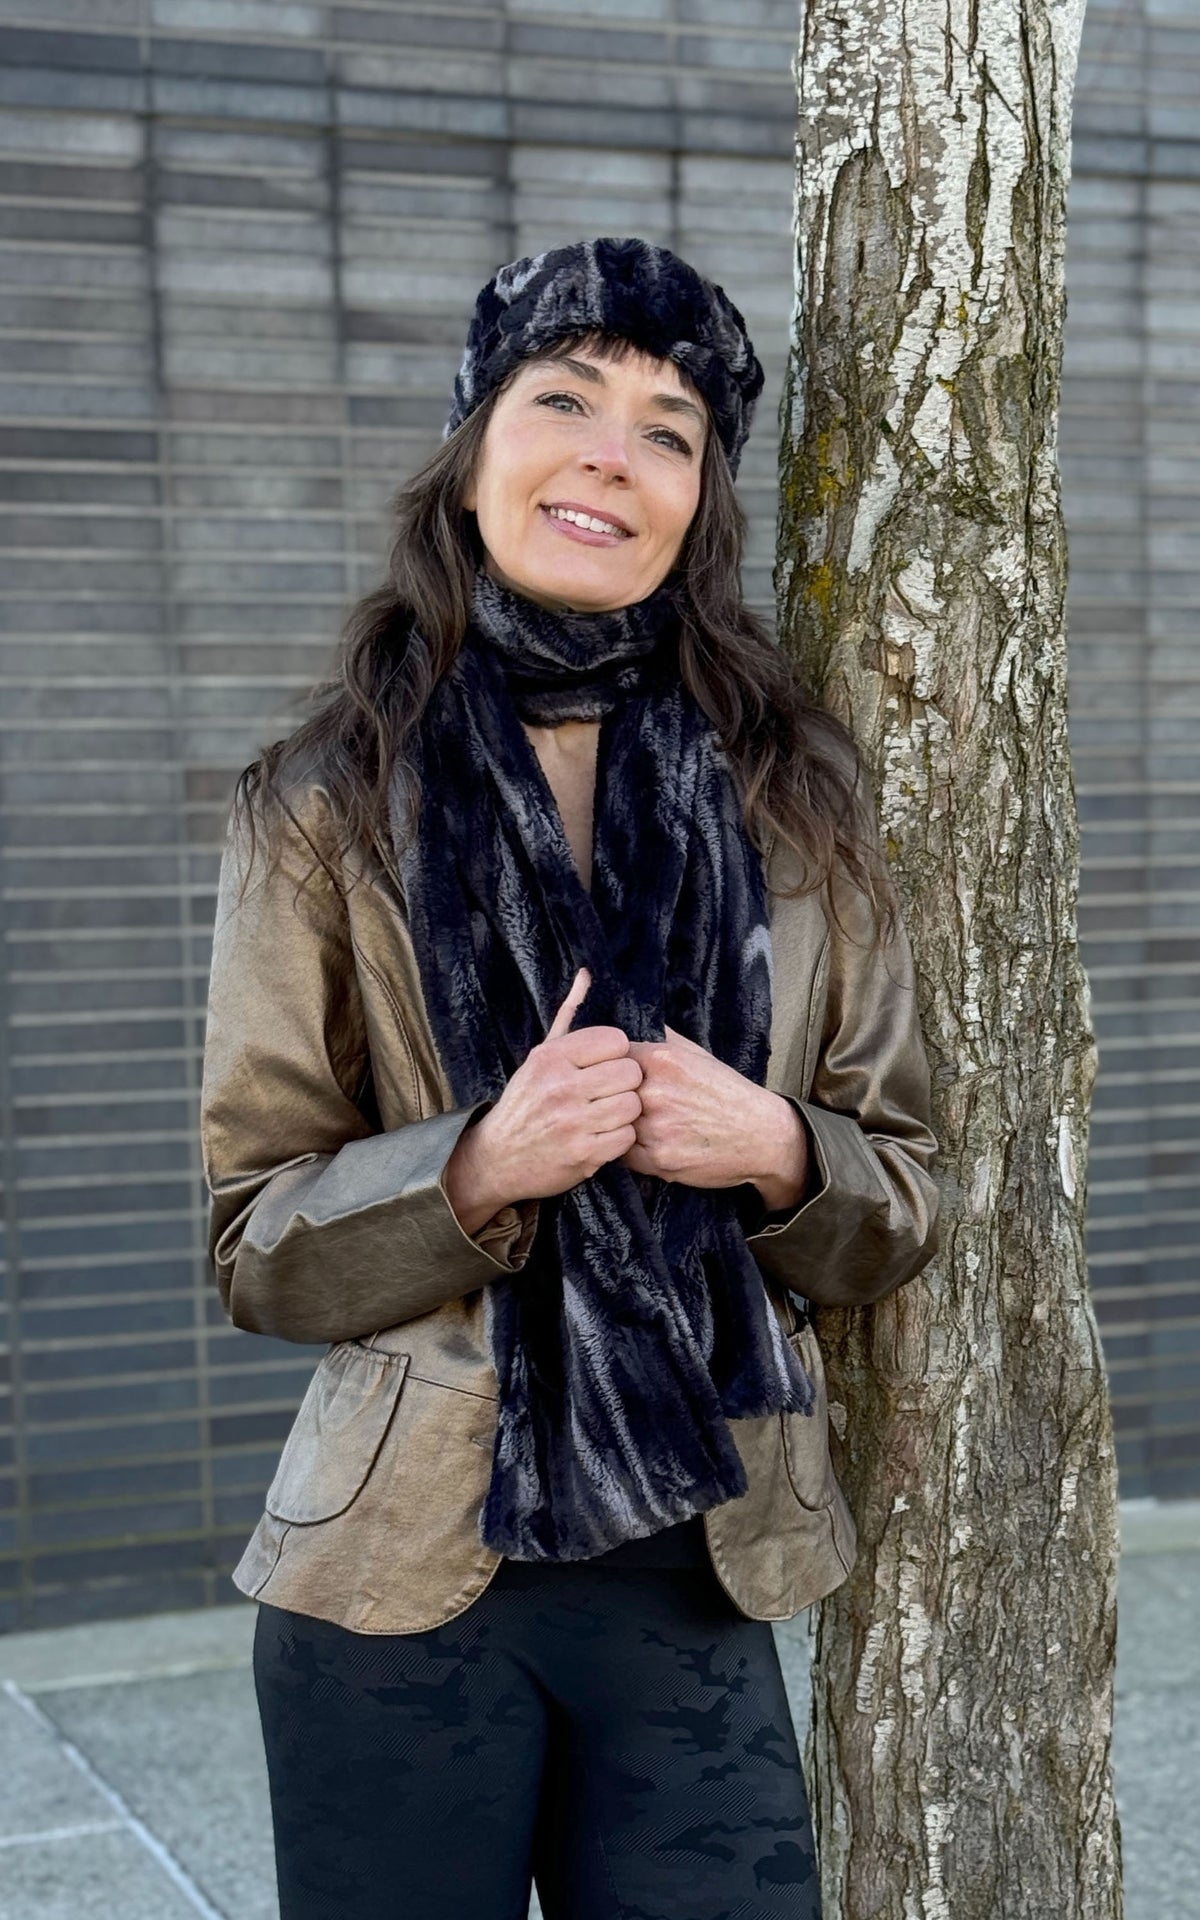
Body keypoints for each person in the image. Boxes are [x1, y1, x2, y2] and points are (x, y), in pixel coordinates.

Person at [200, 236, 940, 1920]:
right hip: (393, 1585)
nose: (614, 452)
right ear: (474, 454)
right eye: (566, 399)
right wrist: (472, 1171)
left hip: (699, 1571)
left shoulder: (800, 807)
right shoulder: (321, 803)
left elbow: (902, 1194)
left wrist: (774, 1149)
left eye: (670, 429)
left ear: (700, 505)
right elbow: (253, 1240)